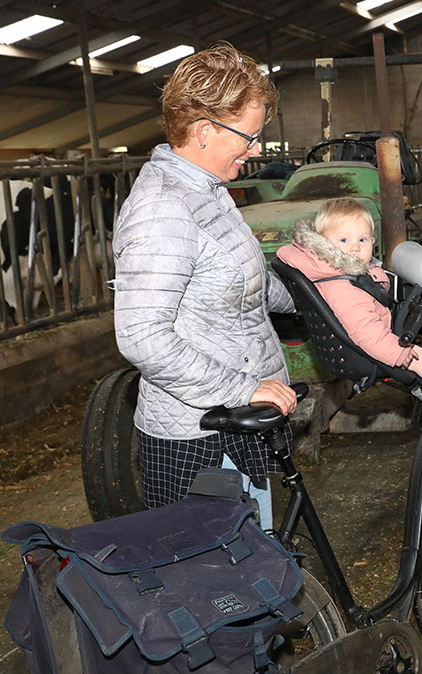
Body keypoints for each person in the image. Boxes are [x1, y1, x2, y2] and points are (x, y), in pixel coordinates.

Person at [112, 42, 295, 527]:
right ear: (205, 130)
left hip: (233, 424)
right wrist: (242, 388)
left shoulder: (208, 193)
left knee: (255, 571)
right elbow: (142, 336)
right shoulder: (163, 209)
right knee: (219, 589)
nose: (256, 150)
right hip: (199, 439)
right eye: (248, 136)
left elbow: (247, 281)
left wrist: (320, 292)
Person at [275, 197, 422, 391]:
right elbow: (365, 332)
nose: (354, 248)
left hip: (364, 343)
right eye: (344, 240)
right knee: (417, 356)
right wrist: (397, 354)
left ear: (373, 241)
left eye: (362, 240)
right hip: (368, 351)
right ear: (323, 242)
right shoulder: (344, 286)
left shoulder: (333, 269)